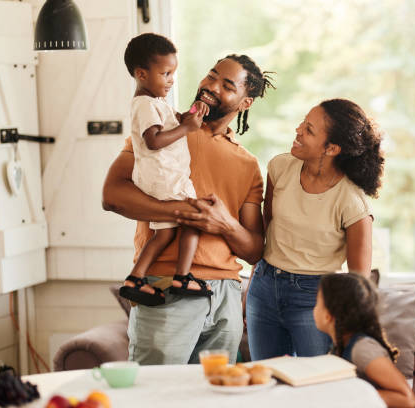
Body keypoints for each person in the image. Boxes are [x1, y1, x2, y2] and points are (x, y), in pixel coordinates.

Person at [102, 53, 274, 364]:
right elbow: (112, 195)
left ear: (244, 103)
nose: (211, 86)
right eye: (211, 75)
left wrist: (223, 224)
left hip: (226, 297)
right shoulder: (161, 130)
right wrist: (184, 213)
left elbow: (254, 251)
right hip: (166, 287)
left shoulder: (248, 165)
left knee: (214, 397)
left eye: (226, 85)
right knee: (155, 396)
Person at [245, 98, 384, 360]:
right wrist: (254, 282)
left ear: (331, 148)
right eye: (303, 122)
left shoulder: (353, 204)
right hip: (264, 288)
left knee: (315, 388)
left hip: (315, 299)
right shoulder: (280, 167)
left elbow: (359, 283)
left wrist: (344, 329)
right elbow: (268, 231)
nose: (298, 130)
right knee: (265, 387)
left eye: (309, 129)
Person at [119, 33, 212, 307]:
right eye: (166, 73)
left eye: (173, 73)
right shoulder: (146, 104)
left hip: (158, 179)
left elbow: (166, 127)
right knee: (196, 217)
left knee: (166, 233)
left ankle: (135, 279)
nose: (172, 80)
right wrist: (186, 128)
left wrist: (186, 117)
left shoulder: (154, 104)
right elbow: (154, 140)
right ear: (141, 74)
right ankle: (182, 277)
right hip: (166, 178)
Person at [314, 273, 415, 408]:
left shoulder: (362, 349)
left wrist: (350, 394)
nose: (314, 309)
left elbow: (407, 399)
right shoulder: (339, 344)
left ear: (328, 316)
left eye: (317, 303)